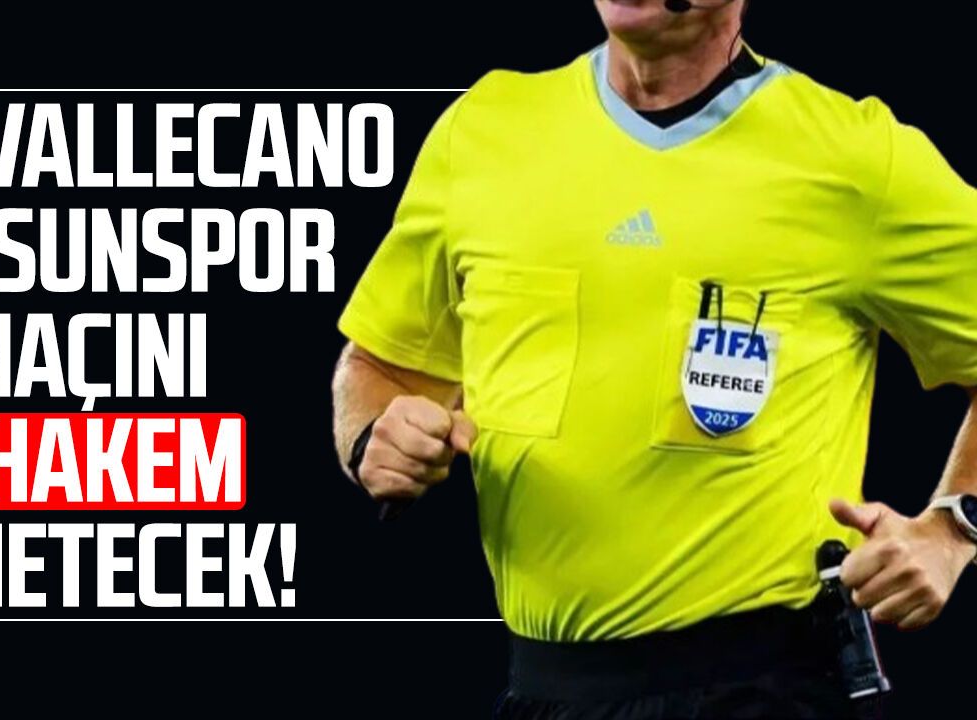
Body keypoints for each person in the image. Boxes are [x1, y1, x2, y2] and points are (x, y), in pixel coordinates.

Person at [330, 0, 977, 717]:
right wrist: (374, 436)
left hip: (762, 690)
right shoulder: (484, 133)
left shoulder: (853, 159)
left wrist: (953, 527)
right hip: (546, 690)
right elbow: (380, 366)